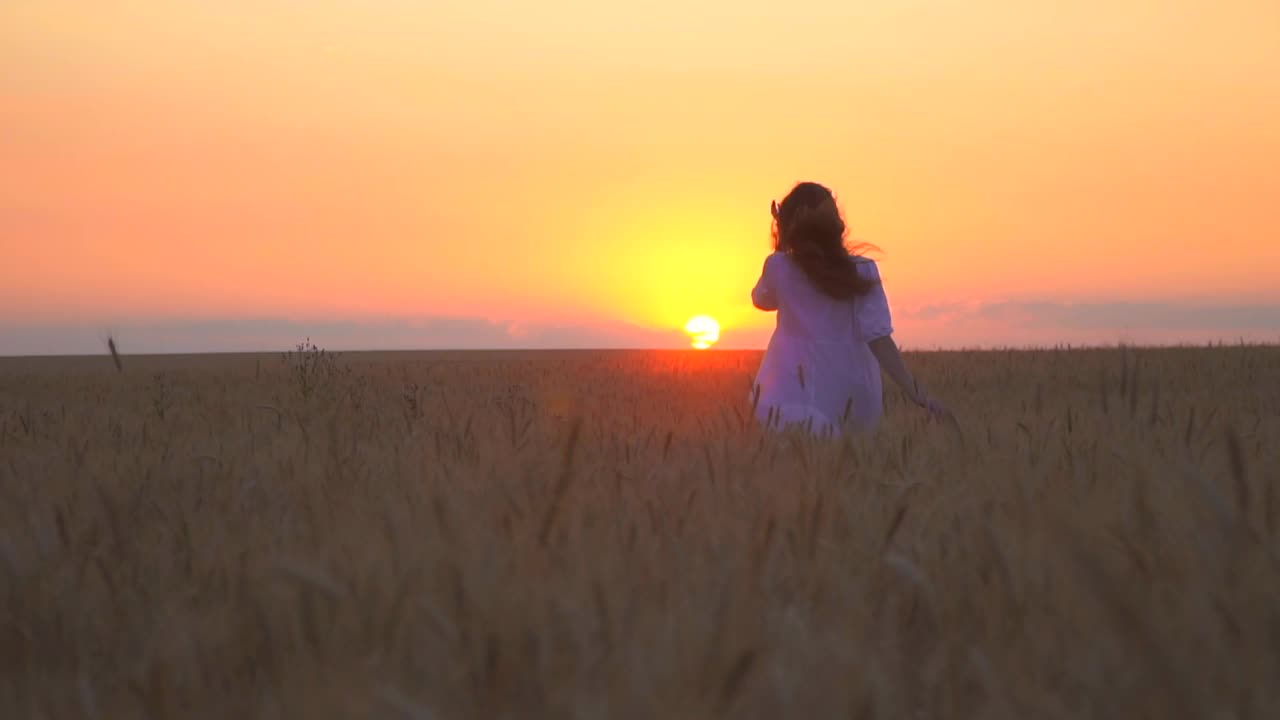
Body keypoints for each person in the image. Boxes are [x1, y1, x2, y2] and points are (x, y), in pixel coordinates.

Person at [750, 181, 947, 434]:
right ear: (836, 225)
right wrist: (916, 393)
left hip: (791, 392)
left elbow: (762, 300)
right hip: (852, 394)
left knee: (797, 467)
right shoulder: (862, 270)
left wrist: (781, 243)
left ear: (788, 225)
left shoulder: (779, 266)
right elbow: (879, 339)